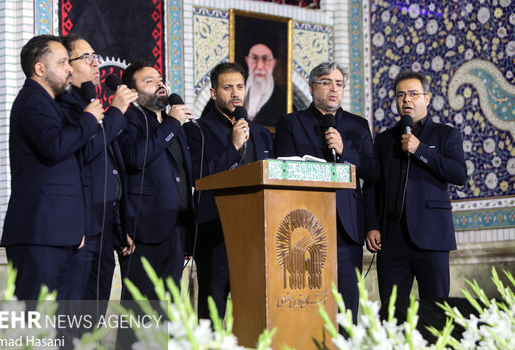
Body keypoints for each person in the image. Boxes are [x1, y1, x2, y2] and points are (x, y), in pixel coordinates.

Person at [275, 61, 379, 323]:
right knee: (307, 304)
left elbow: (373, 174)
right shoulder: (290, 123)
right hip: (304, 227)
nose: (334, 89)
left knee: (346, 305)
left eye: (339, 84)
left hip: (347, 227)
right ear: (311, 88)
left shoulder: (358, 125)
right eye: (326, 82)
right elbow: (284, 170)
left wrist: (346, 153)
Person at [1, 35, 103, 300]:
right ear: (40, 68)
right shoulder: (32, 101)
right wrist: (90, 119)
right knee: (36, 325)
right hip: (39, 234)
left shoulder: (48, 104)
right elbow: (55, 145)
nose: (69, 68)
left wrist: (74, 228)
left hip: (58, 233)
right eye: (61, 62)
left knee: (58, 329)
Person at [364, 70, 466, 307]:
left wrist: (420, 150)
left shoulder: (446, 135)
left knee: (437, 311)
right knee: (392, 313)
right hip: (391, 240)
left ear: (427, 98)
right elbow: (371, 185)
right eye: (401, 95)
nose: (406, 100)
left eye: (413, 94)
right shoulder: (384, 140)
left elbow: (459, 174)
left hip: (432, 238)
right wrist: (371, 226)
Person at [184, 62, 273, 320]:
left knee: (254, 311)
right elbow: (198, 176)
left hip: (257, 233)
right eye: (227, 87)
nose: (235, 93)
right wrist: (233, 148)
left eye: (240, 86)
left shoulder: (261, 134)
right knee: (212, 310)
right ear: (214, 94)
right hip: (216, 234)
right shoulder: (196, 131)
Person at [58, 33, 138, 302]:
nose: (95, 63)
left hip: (105, 226)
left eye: (96, 57)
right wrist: (116, 112)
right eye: (86, 57)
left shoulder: (94, 107)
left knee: (95, 317)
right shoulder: (65, 107)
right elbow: (86, 151)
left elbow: (113, 171)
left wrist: (120, 225)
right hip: (81, 228)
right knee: (74, 318)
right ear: (66, 67)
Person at [118, 61, 195, 301]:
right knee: (140, 310)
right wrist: (172, 123)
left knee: (169, 308)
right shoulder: (128, 118)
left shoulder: (173, 124)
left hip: (177, 227)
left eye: (159, 79)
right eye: (149, 81)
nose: (159, 84)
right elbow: (136, 157)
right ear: (132, 92)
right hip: (143, 228)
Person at [243, 43, 286, 128]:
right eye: (254, 58)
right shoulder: (233, 91)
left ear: (273, 63)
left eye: (265, 59)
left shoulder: (283, 100)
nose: (259, 66)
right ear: (247, 61)